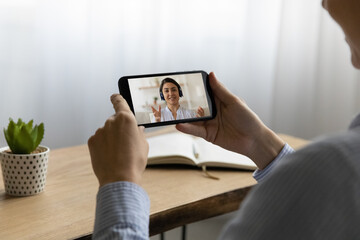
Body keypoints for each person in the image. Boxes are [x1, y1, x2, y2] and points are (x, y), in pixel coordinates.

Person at [87, 0, 360, 239]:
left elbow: (319, 190)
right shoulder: (334, 170)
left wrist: (119, 180)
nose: (323, 4)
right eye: (165, 91)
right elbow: (312, 203)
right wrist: (258, 142)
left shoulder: (337, 168)